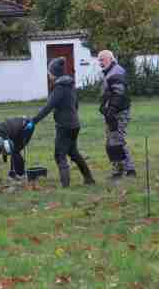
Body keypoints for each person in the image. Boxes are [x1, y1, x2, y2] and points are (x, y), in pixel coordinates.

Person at [28, 57, 95, 188]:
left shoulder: (59, 88)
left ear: (54, 73)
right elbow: (76, 104)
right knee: (73, 153)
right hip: (74, 124)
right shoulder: (70, 85)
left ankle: (65, 186)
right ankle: (89, 179)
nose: (48, 74)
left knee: (59, 155)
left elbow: (48, 107)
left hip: (64, 126)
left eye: (49, 72)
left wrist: (33, 121)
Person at [98, 50, 136, 179]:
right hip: (111, 113)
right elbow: (110, 93)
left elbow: (119, 93)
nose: (100, 63)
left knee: (117, 141)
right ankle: (117, 171)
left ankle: (130, 170)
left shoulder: (116, 71)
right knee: (110, 142)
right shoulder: (110, 71)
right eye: (99, 60)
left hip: (119, 113)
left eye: (102, 59)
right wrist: (104, 108)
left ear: (110, 59)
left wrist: (112, 109)